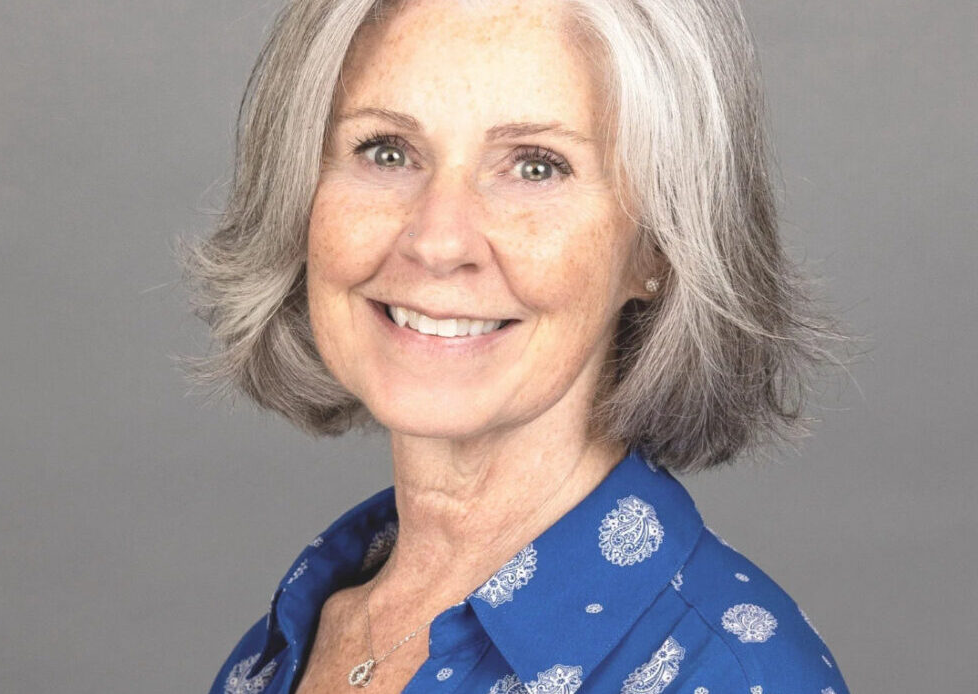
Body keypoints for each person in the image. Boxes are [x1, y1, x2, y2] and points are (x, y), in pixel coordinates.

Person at [178, 0, 852, 692]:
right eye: (386, 152)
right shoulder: (304, 628)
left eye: (536, 167)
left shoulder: (741, 677)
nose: (437, 240)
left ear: (656, 245)